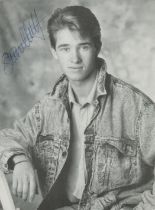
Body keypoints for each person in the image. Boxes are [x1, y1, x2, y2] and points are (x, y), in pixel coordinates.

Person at [0, 5, 155, 210]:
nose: (74, 58)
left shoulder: (135, 107)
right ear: (54, 52)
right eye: (65, 48)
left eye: (83, 46)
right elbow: (8, 137)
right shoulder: (49, 107)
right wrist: (18, 159)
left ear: (97, 47)